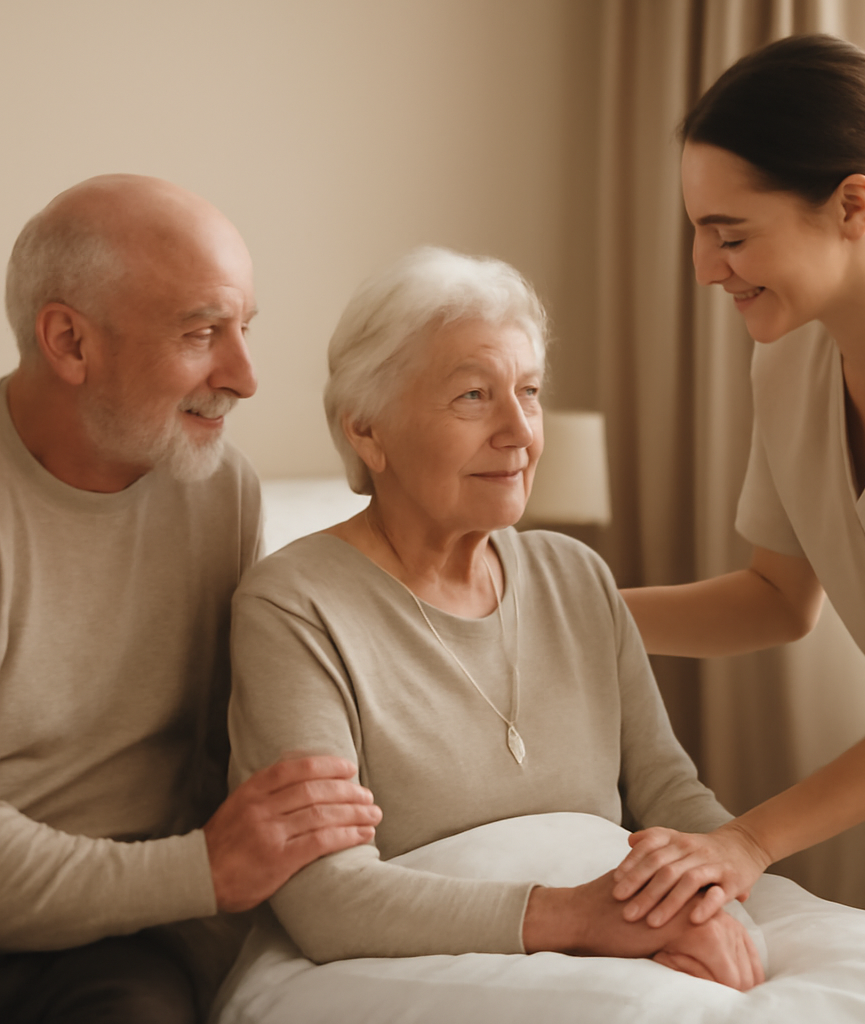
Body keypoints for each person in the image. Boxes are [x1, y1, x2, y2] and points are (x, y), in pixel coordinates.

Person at [226, 246, 764, 991]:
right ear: (367, 431)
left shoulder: (577, 576)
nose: (519, 430)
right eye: (474, 395)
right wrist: (584, 917)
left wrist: (716, 892)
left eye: (530, 391)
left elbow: (671, 797)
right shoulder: (295, 606)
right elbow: (327, 899)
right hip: (408, 968)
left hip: (616, 933)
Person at [613, 34, 865, 969]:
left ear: (852, 207)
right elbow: (775, 599)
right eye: (698, 232)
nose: (703, 267)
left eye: (731, 235)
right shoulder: (790, 357)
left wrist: (747, 841)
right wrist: (568, 614)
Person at [0, 174, 382, 1024]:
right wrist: (202, 873)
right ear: (69, 341)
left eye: (245, 329)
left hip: (123, 940)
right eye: (202, 333)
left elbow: (222, 748)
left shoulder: (217, 489)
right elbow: (213, 860)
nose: (244, 377)